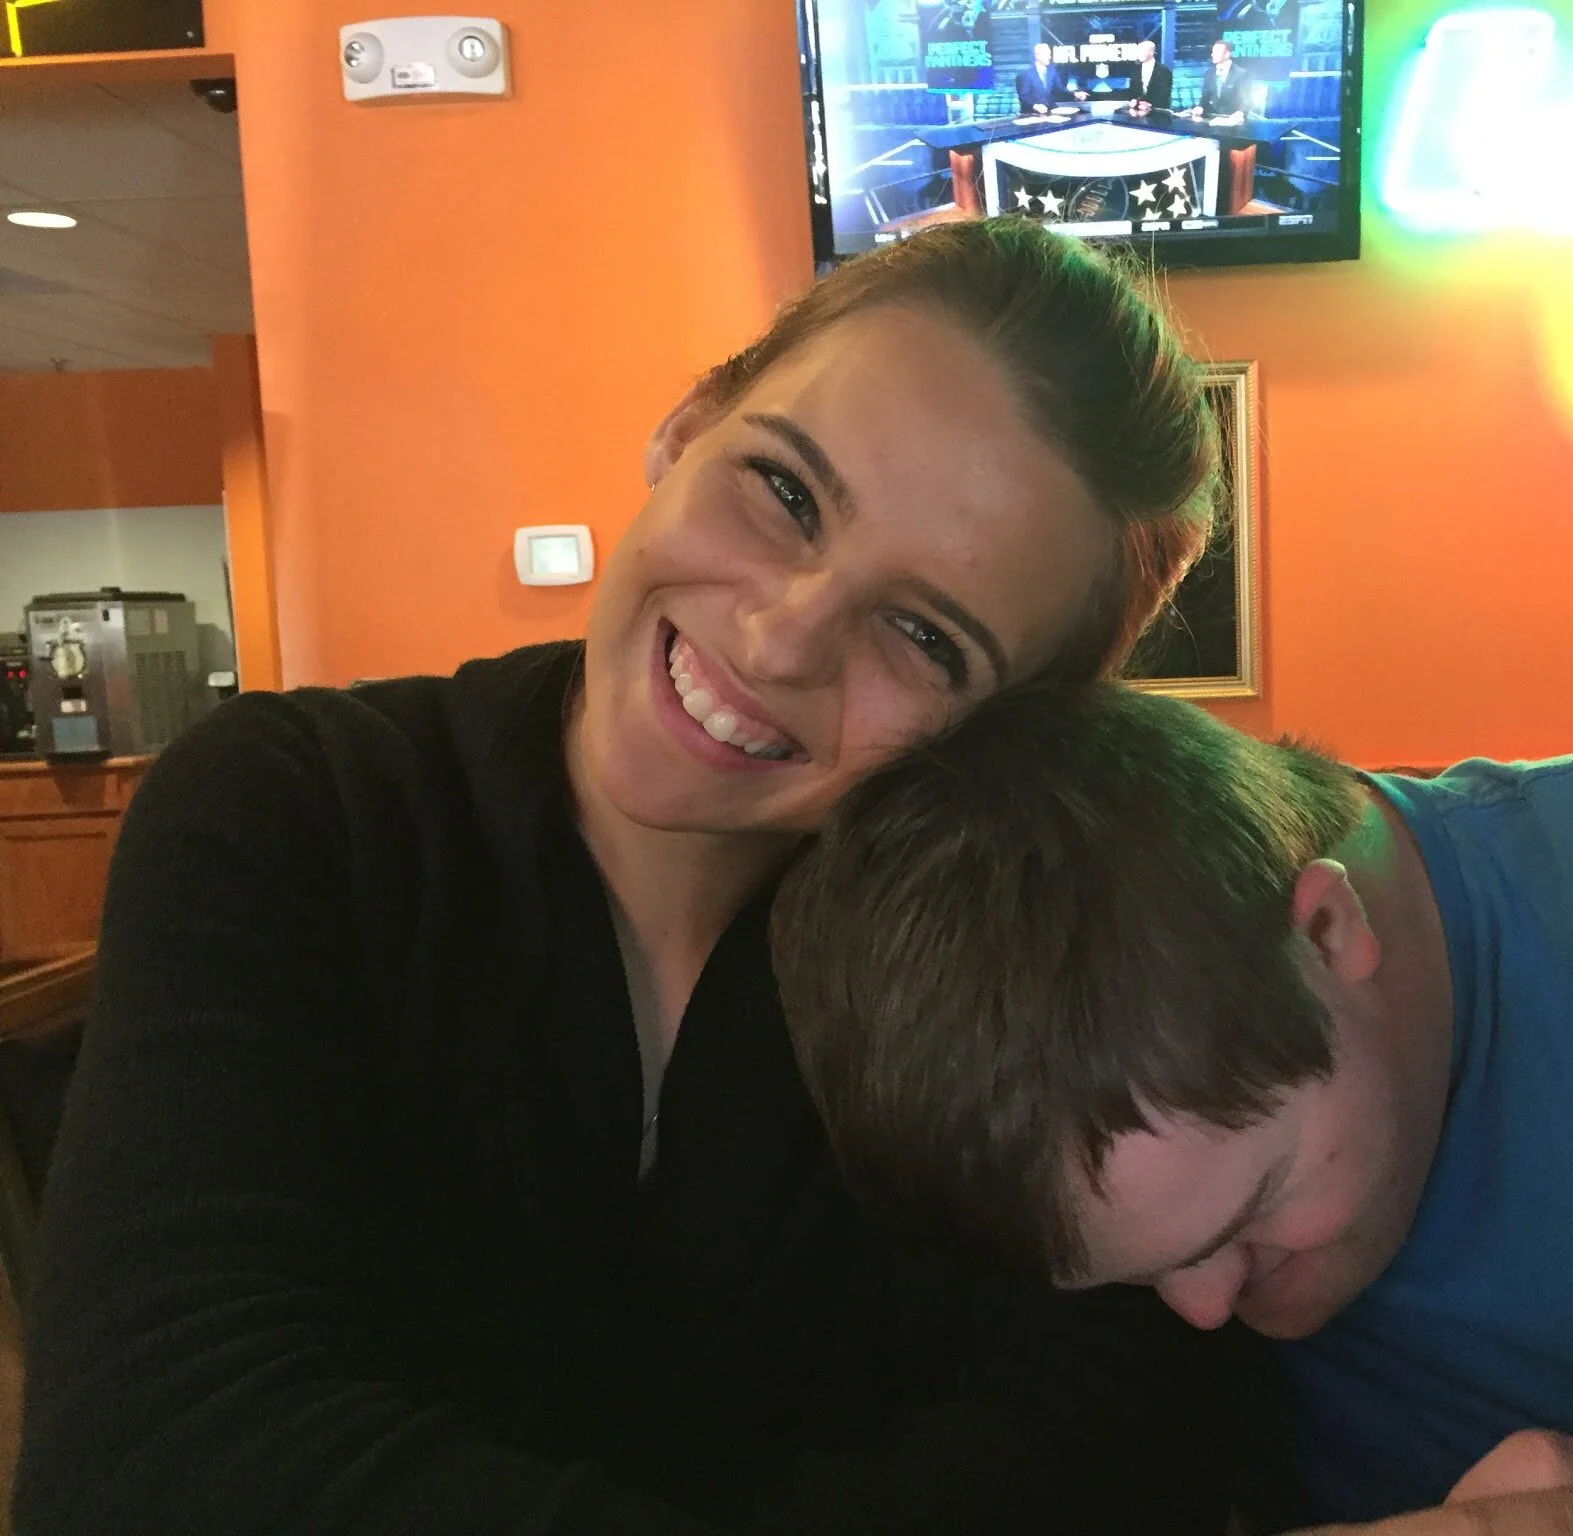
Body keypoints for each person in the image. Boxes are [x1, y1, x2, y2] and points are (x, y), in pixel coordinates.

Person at [13, 222, 1242, 1536]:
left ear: (998, 739)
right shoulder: (296, 808)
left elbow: (1110, 1443)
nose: (780, 636)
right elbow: (153, 1454)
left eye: (927, 636)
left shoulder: (1013, 967)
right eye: (784, 491)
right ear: (686, 426)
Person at [772, 682, 1573, 1536]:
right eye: (1137, 1278)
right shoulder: (1116, 1210)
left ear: (1326, 929)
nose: (1207, 1312)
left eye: (1255, 1213)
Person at [1192, 39, 1252, 122]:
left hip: (1234, 121)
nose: (1212, 55)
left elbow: (1247, 99)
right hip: (1212, 119)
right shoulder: (1209, 73)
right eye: (1213, 52)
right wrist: (1200, 107)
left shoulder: (1241, 74)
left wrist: (1241, 113)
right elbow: (1204, 98)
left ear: (1227, 54)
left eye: (1216, 52)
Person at [1016, 41, 1065, 113]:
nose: (1049, 57)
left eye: (1050, 54)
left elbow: (1060, 89)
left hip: (1051, 113)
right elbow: (1024, 96)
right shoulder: (1026, 75)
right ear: (1037, 56)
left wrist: (1075, 94)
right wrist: (1035, 106)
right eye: (1047, 54)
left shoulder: (1052, 72)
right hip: (1033, 115)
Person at [1131, 39, 1174, 116]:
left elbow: (1164, 93)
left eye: (1141, 51)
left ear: (1151, 52)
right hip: (1138, 112)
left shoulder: (1163, 71)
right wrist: (1134, 100)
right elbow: (1133, 90)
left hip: (1159, 113)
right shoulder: (1136, 69)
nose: (1138, 54)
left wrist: (1149, 104)